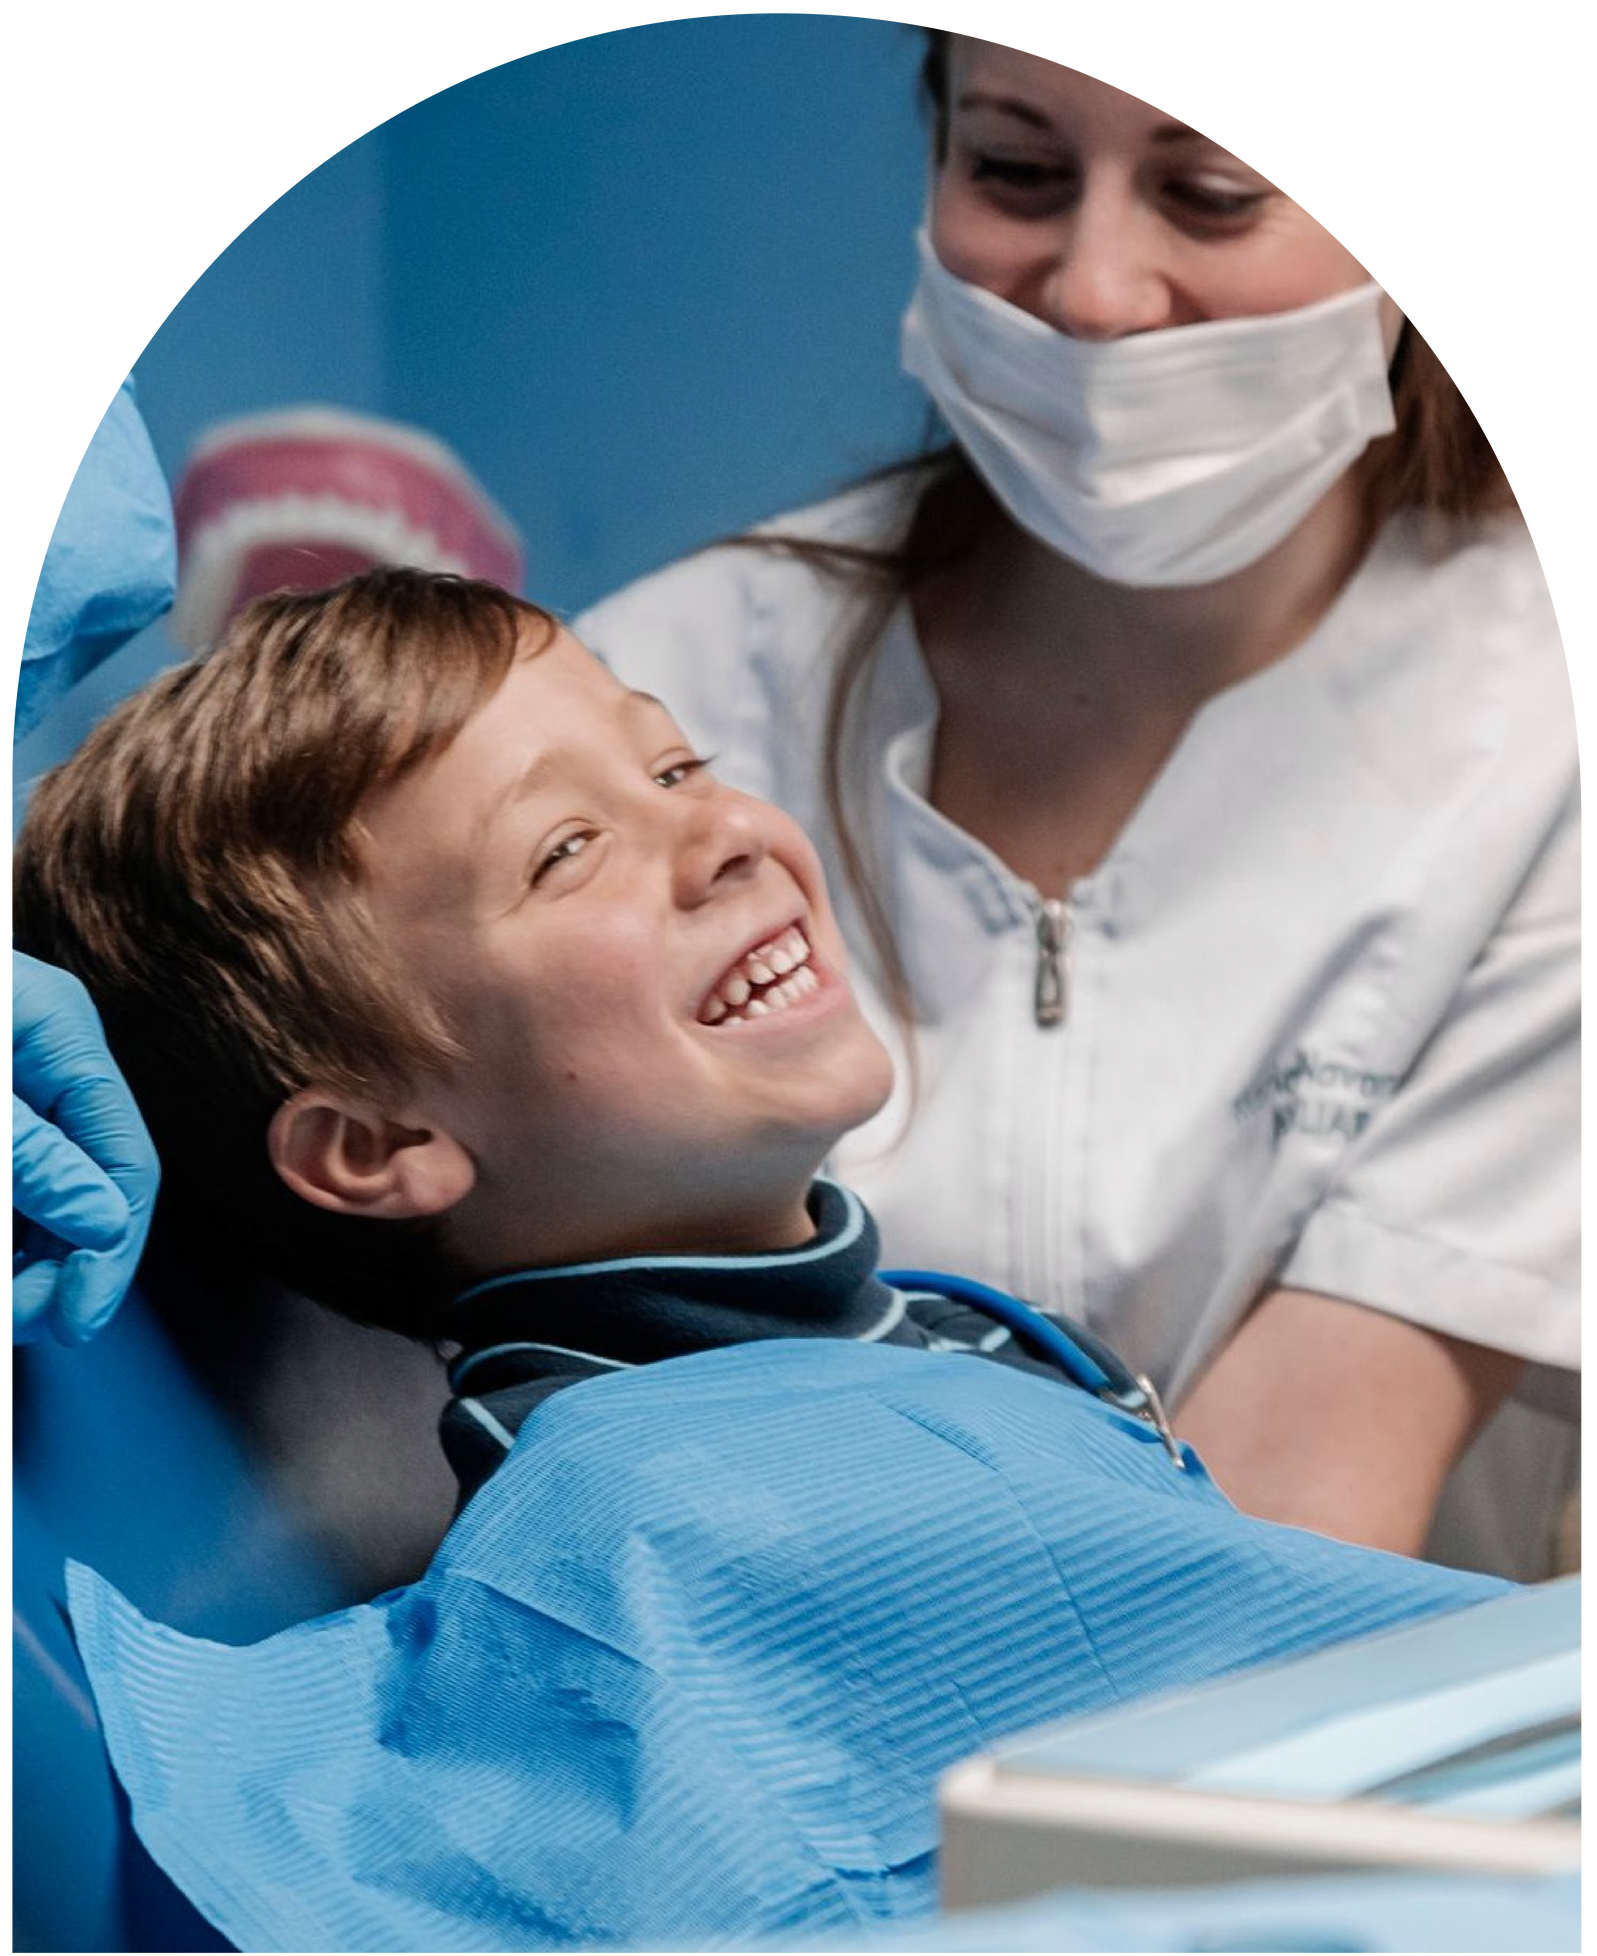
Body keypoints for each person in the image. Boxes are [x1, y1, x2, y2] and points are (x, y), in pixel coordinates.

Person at [12, 563, 1503, 1952]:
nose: (721, 834)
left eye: (673, 767)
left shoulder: (951, 1350)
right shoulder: (655, 1516)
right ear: (380, 1145)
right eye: (565, 851)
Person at [571, 37, 1580, 1581]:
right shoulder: (664, 687)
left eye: (1214, 192)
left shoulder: (1537, 734)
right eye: (1018, 171)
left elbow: (1282, 1525)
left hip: (1284, 1758)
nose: (1096, 291)